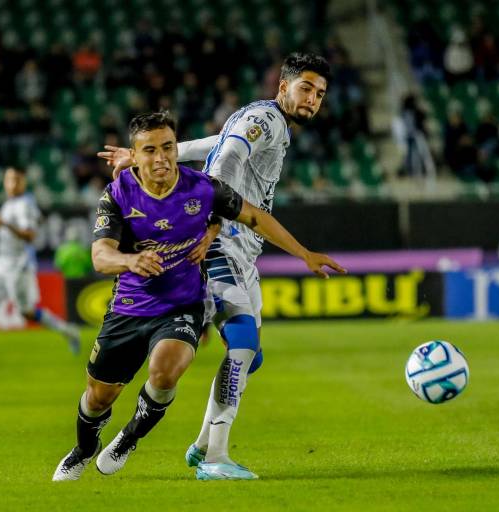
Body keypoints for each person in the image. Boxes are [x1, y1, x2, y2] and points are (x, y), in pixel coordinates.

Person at [52, 111, 344, 481]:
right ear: (135, 155)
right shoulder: (118, 194)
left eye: (169, 148)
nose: (161, 158)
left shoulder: (203, 187)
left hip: (182, 305)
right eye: (150, 150)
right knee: (98, 397)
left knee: (166, 371)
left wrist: (304, 253)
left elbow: (253, 216)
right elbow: (100, 256)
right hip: (130, 307)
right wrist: (130, 259)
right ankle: (82, 449)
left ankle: (129, 437)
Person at [0, 166, 81, 366]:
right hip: (1, 261)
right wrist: (1, 222)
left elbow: (30, 236)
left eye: (17, 180)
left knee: (27, 312)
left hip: (18, 264)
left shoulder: (24, 205)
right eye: (10, 179)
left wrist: (3, 223)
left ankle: (69, 331)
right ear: (4, 182)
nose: (13, 184)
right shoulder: (11, 204)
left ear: (24, 182)